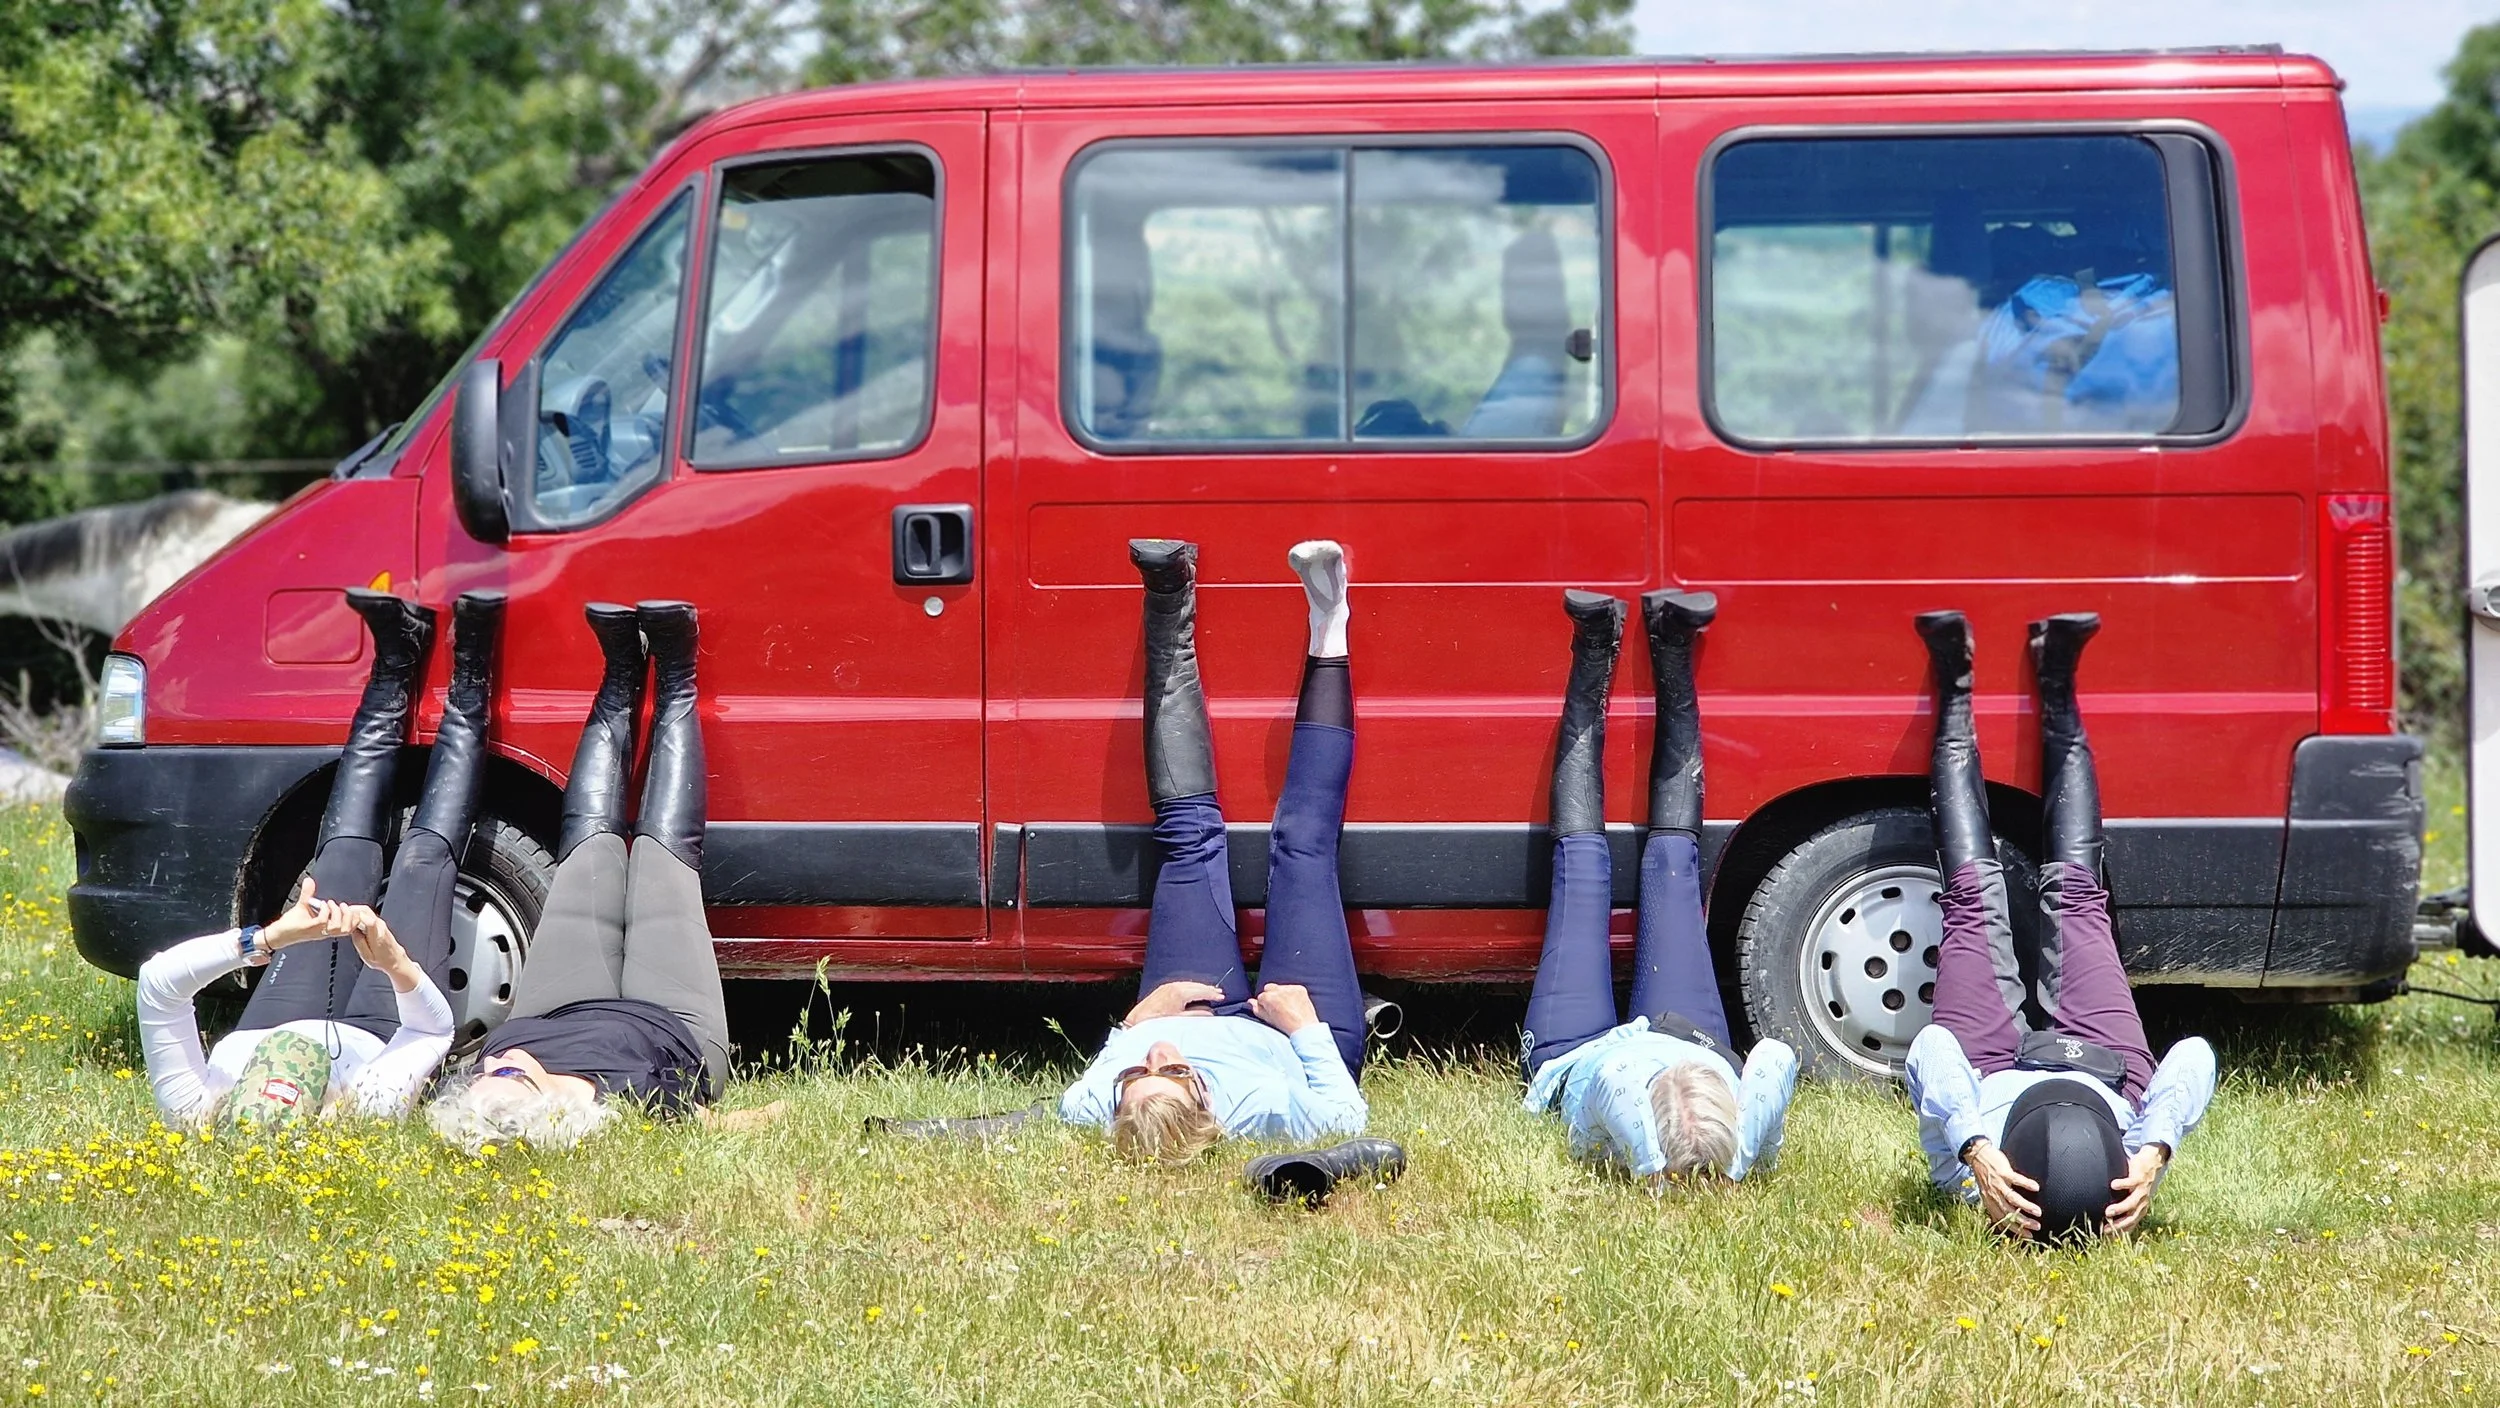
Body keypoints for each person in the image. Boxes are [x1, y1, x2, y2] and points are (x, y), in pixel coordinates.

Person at [136, 588, 505, 1129]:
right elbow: (430, 1031)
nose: (280, 1079)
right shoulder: (365, 1107)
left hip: (275, 1017)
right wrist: (391, 960)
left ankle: (395, 661)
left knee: (341, 860)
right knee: (421, 865)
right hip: (379, 1032)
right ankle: (472, 665)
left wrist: (269, 938)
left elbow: (159, 985)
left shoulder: (194, 1108)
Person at [1903, 610, 2218, 1241]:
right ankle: (2058, 682)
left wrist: (1975, 1149)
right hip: (2111, 1079)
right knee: (2077, 899)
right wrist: (2155, 1148)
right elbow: (2195, 1056)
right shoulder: (2123, 1166)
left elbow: (1930, 1052)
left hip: (1987, 1070)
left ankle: (1956, 685)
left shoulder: (1975, 1182)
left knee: (1972, 899)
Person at [1060, 538, 1370, 1162]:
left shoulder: (1089, 1105)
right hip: (1294, 1035)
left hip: (1192, 1005)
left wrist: (1139, 1020)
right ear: (1207, 1102)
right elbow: (1347, 1116)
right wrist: (1304, 1029)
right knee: (1302, 847)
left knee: (1187, 838)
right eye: (1170, 1073)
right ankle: (1329, 622)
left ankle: (1169, 602)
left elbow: (1126, 1056)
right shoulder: (1262, 1108)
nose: (1156, 1057)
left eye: (1135, 1077)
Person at [428, 600, 732, 1152]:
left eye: (486, 1076)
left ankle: (620, 673)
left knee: (587, 850)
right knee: (663, 862)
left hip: (554, 1008)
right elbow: (719, 1124)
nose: (500, 1065)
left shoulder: (490, 1081)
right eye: (513, 1077)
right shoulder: (632, 1097)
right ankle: (678, 672)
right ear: (550, 1103)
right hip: (671, 1028)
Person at [1519, 588, 1798, 1184]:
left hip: (1576, 1060)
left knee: (1582, 872)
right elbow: (1775, 1057)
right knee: (1673, 868)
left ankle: (1593, 648)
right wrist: (1742, 1152)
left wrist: (1650, 1166)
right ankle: (1671, 646)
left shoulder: (1614, 1096)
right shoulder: (1737, 1126)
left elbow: (1620, 1082)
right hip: (1688, 1040)